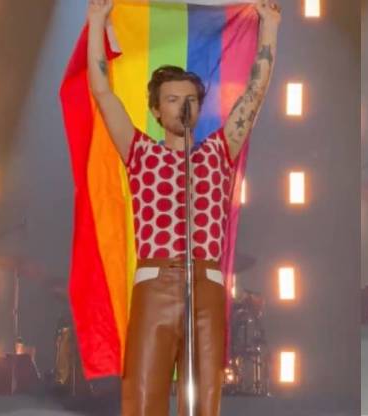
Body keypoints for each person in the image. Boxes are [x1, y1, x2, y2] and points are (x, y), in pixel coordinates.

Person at [86, 0, 280, 414]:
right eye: (172, 100)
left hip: (206, 284)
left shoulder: (217, 151)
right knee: (142, 398)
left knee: (204, 401)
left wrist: (269, 28)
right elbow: (102, 91)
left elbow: (255, 92)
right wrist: (97, 23)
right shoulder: (140, 152)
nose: (182, 106)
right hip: (155, 286)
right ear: (157, 111)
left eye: (190, 99)